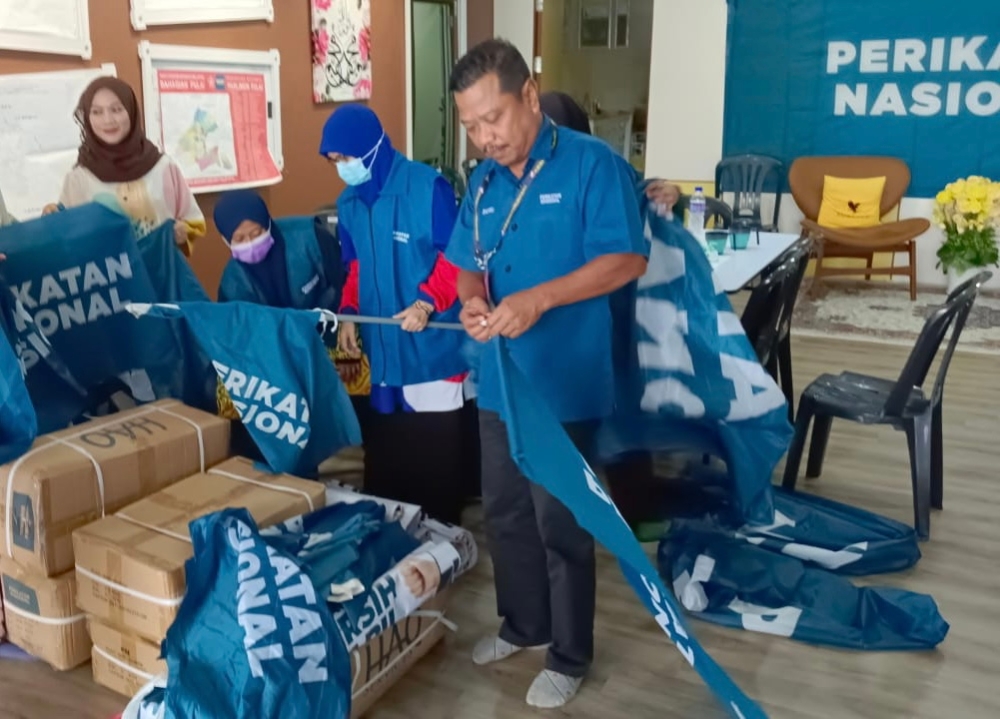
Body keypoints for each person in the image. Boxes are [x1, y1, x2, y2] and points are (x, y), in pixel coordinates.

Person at [447, 40, 648, 708]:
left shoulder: (594, 166)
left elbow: (625, 260)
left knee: (558, 519)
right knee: (504, 511)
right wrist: (471, 300)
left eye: (494, 118)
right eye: (471, 126)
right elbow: (467, 262)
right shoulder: (481, 182)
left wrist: (542, 297)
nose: (485, 138)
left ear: (529, 94)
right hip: (499, 378)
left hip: (564, 381)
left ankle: (568, 652)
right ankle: (523, 622)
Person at [318, 103, 473, 526]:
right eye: (335, 162)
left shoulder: (428, 189)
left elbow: (456, 257)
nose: (342, 168)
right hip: (384, 343)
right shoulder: (349, 203)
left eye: (346, 158)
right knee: (390, 444)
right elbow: (355, 267)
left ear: (372, 148)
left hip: (432, 341)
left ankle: (443, 532)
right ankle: (398, 531)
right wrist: (349, 314)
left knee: (434, 447)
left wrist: (427, 301)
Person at [213, 190, 353, 462]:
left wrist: (339, 352)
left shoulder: (310, 239)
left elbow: (347, 291)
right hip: (281, 366)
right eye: (239, 239)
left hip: (332, 348)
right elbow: (243, 344)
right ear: (225, 241)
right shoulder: (232, 282)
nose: (250, 243)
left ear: (268, 223)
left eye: (255, 233)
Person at [44, 77, 205, 254]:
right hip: (111, 279)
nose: (108, 119)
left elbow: (193, 220)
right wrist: (52, 217)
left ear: (131, 111)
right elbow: (68, 234)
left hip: (161, 275)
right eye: (96, 112)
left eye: (116, 109)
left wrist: (183, 231)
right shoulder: (78, 178)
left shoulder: (163, 167)